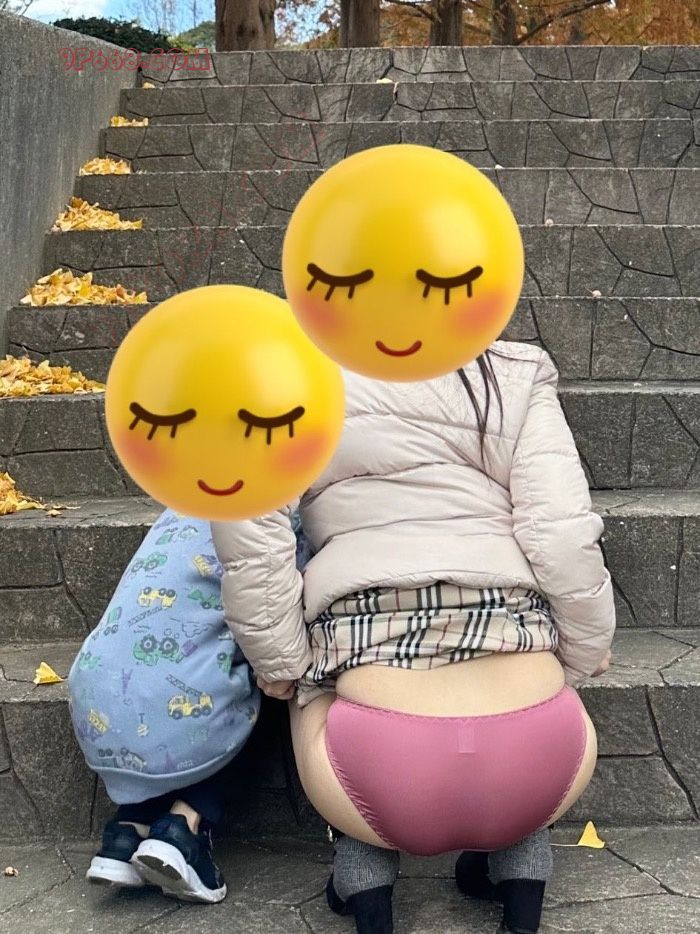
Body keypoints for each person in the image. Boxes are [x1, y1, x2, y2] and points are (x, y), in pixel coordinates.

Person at [211, 342, 616, 934]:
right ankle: (521, 867)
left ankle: (365, 876)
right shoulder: (514, 370)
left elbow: (251, 523)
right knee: (536, 662)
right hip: (548, 754)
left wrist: (283, 662)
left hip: (371, 761)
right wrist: (582, 649)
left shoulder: (288, 373)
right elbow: (561, 531)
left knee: (312, 685)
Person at [67, 510, 266, 903]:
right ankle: (183, 828)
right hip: (178, 708)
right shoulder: (274, 516)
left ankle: (127, 830)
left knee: (169, 684)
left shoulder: (178, 510)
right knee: (272, 681)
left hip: (93, 695)